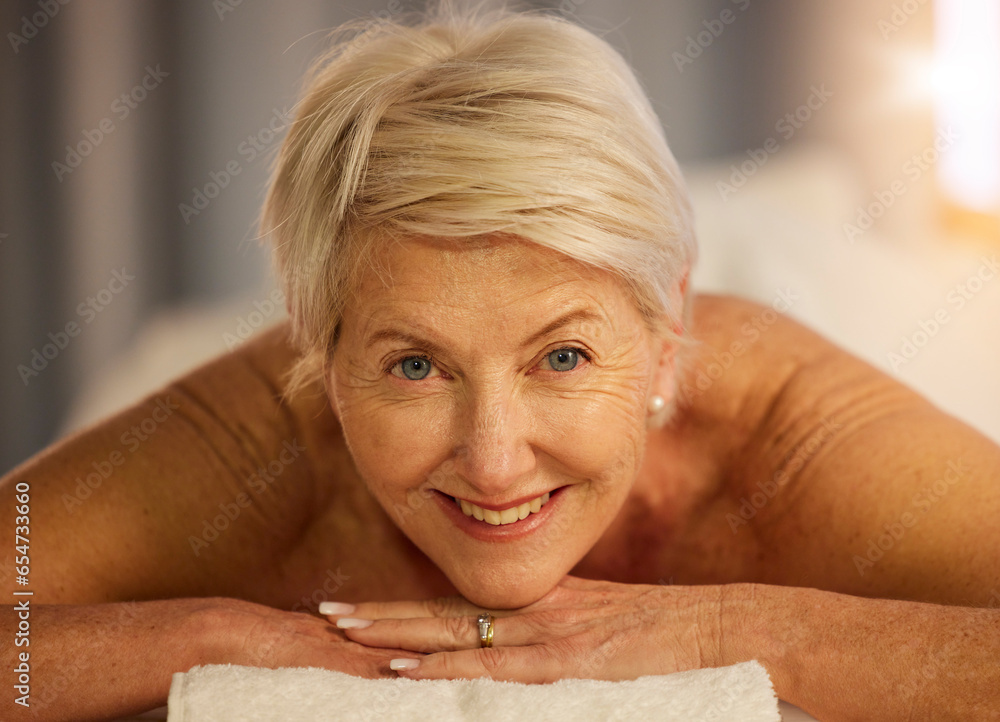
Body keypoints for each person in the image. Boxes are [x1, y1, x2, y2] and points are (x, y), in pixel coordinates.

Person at [3, 2, 999, 720]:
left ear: (667, 326)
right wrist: (211, 637)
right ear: (318, 347)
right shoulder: (253, 448)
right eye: (413, 368)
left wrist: (736, 629)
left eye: (562, 355)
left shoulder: (780, 432)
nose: (492, 461)